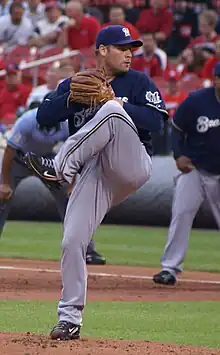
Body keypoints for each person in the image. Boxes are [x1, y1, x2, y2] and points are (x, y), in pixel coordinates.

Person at [25, 25, 168, 340]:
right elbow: (43, 117)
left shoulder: (139, 82)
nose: (129, 53)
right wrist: (69, 94)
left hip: (131, 161)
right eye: (122, 47)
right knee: (72, 241)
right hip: (93, 172)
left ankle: (59, 168)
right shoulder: (78, 82)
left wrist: (117, 100)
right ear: (102, 50)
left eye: (131, 48)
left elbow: (156, 123)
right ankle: (70, 319)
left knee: (113, 110)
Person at [0, 102, 105, 264]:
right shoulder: (28, 120)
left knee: (71, 201)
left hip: (45, 160)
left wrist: (71, 185)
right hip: (19, 160)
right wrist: (5, 183)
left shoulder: (64, 122)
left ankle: (86, 250)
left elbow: (75, 152)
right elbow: (10, 150)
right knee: (2, 200)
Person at [153, 62, 220, 286]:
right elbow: (176, 128)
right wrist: (178, 155)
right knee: (181, 213)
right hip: (195, 168)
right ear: (216, 80)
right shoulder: (197, 101)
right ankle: (169, 268)